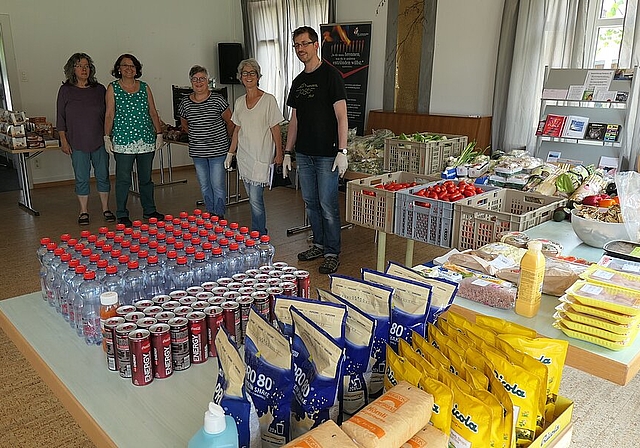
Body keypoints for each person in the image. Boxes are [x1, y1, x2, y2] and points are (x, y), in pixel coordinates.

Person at [283, 26, 348, 275]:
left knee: (327, 204)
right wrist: (288, 151)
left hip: (327, 154)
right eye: (296, 45)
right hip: (304, 154)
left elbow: (342, 117)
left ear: (316, 45)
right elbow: (294, 120)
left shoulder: (331, 76)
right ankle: (319, 244)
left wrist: (342, 150)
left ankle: (332, 252)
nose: (300, 49)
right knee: (310, 203)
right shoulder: (298, 82)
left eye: (304, 44)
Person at [104, 53, 165, 228]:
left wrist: (159, 133)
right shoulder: (113, 88)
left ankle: (149, 210)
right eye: (125, 65)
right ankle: (122, 213)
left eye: (132, 66)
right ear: (118, 68)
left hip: (145, 139)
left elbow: (152, 112)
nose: (129, 69)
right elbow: (109, 114)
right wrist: (106, 136)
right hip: (123, 142)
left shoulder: (144, 87)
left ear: (137, 69)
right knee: (123, 179)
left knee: (146, 178)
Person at [226, 58, 284, 235]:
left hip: (261, 156)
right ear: (240, 77)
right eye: (245, 73)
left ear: (258, 76)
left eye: (252, 73)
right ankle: (257, 232)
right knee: (251, 198)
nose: (248, 76)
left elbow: (276, 129)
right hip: (244, 157)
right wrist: (230, 153)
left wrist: (280, 153)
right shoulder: (239, 102)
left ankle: (259, 234)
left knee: (256, 199)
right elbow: (237, 130)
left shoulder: (268, 100)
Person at [56, 52, 114, 226]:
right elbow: (60, 118)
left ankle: (106, 208)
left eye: (87, 66)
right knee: (81, 177)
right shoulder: (65, 90)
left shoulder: (100, 89)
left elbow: (109, 115)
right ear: (72, 69)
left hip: (99, 141)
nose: (84, 69)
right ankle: (84, 211)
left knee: (103, 175)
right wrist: (63, 140)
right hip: (77, 142)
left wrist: (109, 137)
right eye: (79, 66)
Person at [179, 65, 234, 219]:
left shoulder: (217, 99)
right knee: (204, 185)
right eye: (195, 79)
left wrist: (229, 140)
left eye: (202, 78)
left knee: (217, 185)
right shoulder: (185, 102)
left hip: (218, 151)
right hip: (198, 152)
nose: (199, 82)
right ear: (191, 82)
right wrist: (198, 136)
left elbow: (230, 122)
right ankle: (211, 213)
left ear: (207, 81)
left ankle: (219, 216)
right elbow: (184, 124)